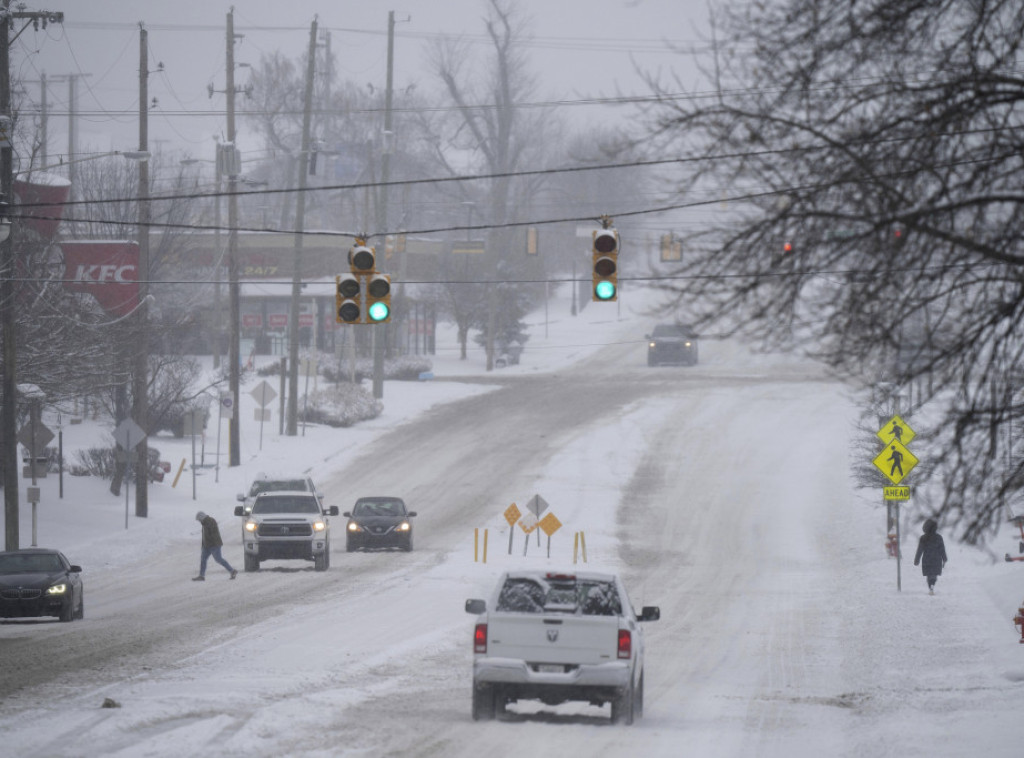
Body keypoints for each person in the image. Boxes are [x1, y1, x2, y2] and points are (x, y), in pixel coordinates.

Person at [193, 511, 238, 581]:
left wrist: (212, 543)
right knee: (203, 560)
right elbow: (204, 536)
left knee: (218, 559)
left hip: (214, 545)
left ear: (202, 518)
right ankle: (201, 576)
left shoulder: (210, 521)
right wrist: (203, 545)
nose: (199, 521)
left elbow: (213, 534)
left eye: (199, 520)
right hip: (206, 546)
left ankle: (232, 571)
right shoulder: (204, 523)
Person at [913, 518, 947, 594]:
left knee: (929, 575)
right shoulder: (939, 537)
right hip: (936, 559)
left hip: (927, 559)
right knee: (934, 574)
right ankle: (932, 585)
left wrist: (916, 560)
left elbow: (920, 550)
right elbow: (942, 549)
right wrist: (944, 558)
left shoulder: (923, 538)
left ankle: (930, 587)